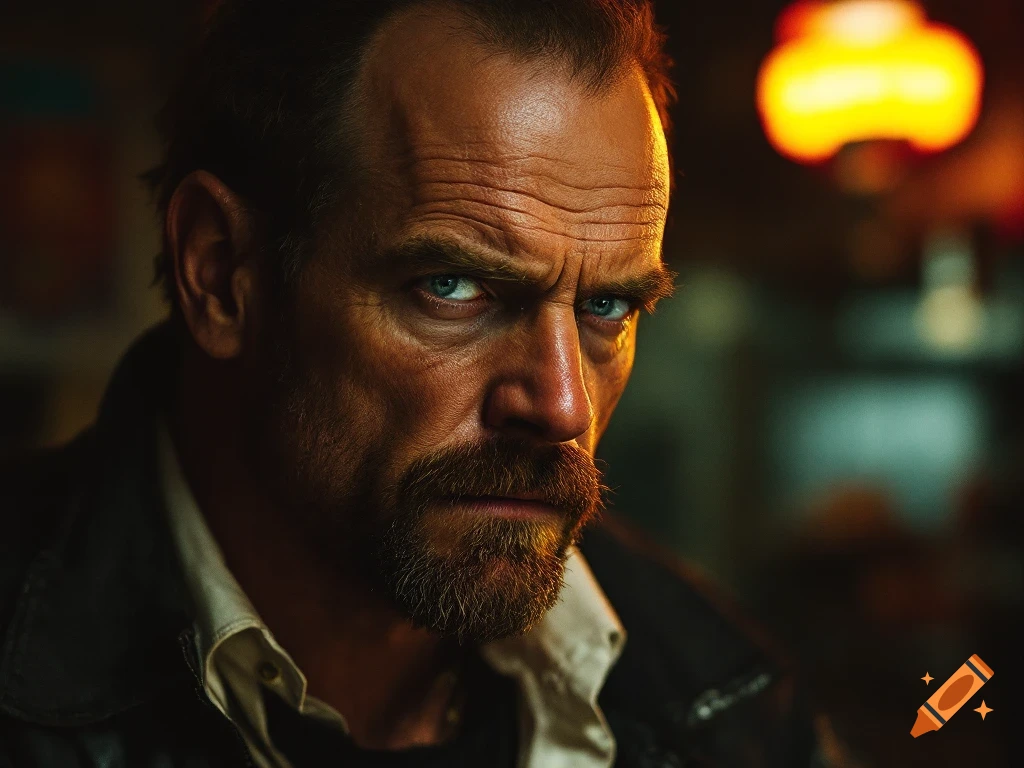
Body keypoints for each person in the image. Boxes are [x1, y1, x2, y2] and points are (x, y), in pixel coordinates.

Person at [0, 1, 825, 765]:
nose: (561, 405)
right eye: (453, 288)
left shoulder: (728, 712)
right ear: (221, 272)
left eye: (607, 306)